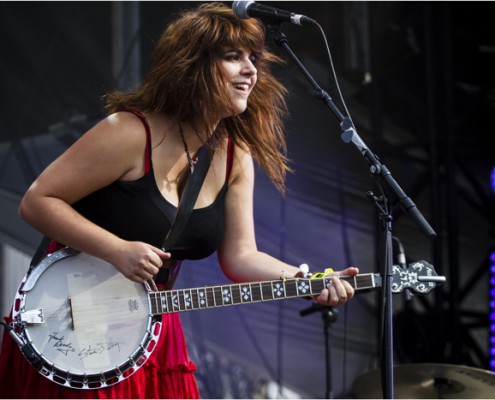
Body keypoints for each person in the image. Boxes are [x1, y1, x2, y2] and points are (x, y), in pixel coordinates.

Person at [0, 2, 358, 398]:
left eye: (254, 59)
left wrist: (307, 281)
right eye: (233, 57)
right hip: (72, 320)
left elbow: (240, 257)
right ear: (194, 65)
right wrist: (116, 249)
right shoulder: (130, 132)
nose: (250, 70)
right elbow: (36, 201)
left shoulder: (236, 156)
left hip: (153, 328)